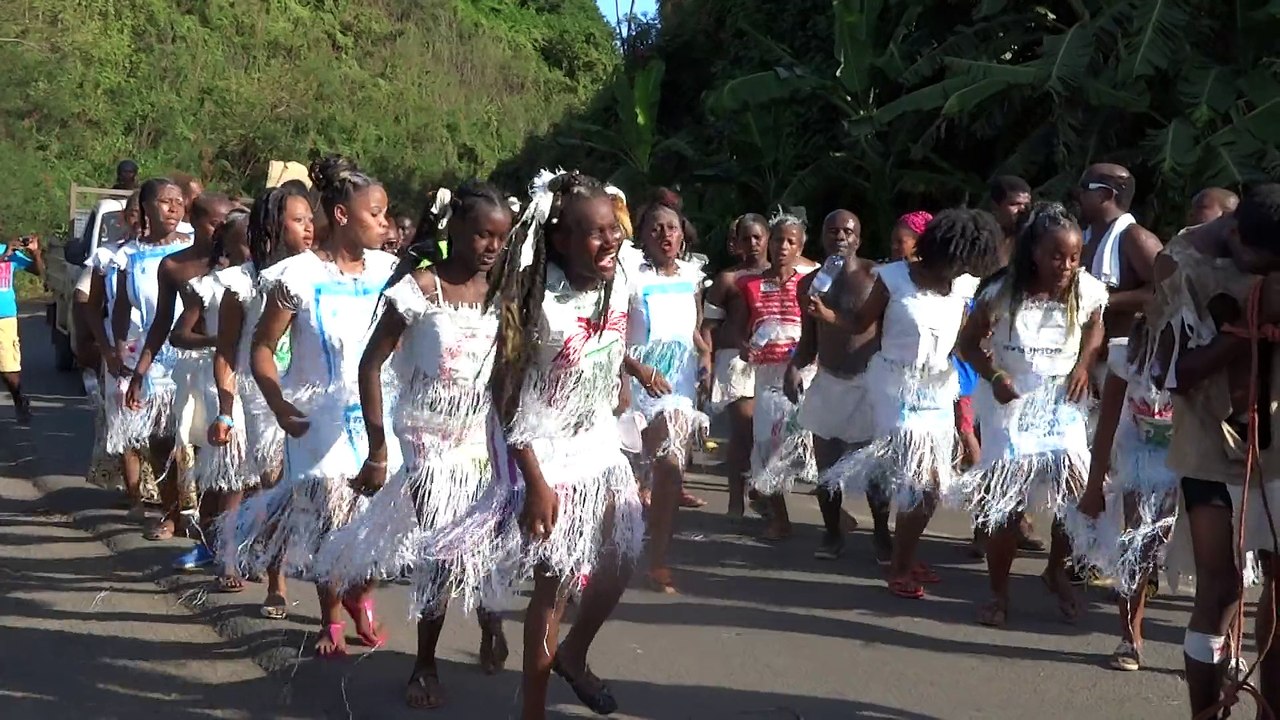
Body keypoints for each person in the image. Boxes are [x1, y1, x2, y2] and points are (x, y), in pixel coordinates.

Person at [420, 170, 642, 719]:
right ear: (560, 239)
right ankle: (534, 712)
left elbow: (614, 345)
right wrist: (535, 481)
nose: (610, 240)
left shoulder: (624, 274)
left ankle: (574, 652)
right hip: (546, 451)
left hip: (599, 443)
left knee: (623, 556)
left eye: (613, 228)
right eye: (594, 233)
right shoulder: (533, 300)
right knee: (556, 586)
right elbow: (504, 395)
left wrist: (621, 379)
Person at [315, 183, 513, 708]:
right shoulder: (421, 289)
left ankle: (490, 617)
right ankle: (424, 665)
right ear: (454, 231)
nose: (490, 247)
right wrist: (379, 447)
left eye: (500, 238)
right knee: (441, 550)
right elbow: (370, 364)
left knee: (483, 542)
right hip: (426, 440)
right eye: (480, 235)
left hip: (481, 437)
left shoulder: (504, 294)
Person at [220, 154, 402, 657]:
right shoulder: (295, 275)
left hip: (377, 415)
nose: (385, 224)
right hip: (316, 422)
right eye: (376, 214)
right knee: (332, 519)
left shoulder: (391, 272)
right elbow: (261, 348)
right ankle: (329, 619)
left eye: (386, 214)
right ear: (342, 216)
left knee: (375, 522)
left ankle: (360, 596)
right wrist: (278, 405)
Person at [818, 209, 1000, 599]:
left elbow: (965, 341)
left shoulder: (965, 286)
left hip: (937, 390)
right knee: (922, 478)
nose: (964, 268)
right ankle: (898, 566)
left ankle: (905, 554)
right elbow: (861, 323)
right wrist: (827, 315)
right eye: (960, 260)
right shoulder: (893, 278)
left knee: (930, 487)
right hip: (894, 389)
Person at [1147, 184, 1280, 717]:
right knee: (1220, 591)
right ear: (1235, 236)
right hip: (1210, 446)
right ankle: (1206, 713)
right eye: (1260, 262)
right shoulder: (1181, 265)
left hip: (1277, 451)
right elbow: (1168, 372)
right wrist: (1248, 333)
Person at [956, 202, 1107, 626]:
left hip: (1062, 406)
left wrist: (1083, 364)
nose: (1066, 265)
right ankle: (999, 593)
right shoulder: (1001, 292)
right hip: (1012, 404)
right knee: (1006, 504)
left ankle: (1055, 570)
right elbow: (967, 345)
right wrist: (994, 374)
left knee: (1075, 497)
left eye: (1075, 257)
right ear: (1035, 252)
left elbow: (1097, 324)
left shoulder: (1086, 288)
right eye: (1057, 256)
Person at [205, 183, 314, 615]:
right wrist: (225, 410)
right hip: (258, 400)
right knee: (271, 487)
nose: (308, 229)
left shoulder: (317, 276)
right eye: (298, 220)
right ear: (272, 226)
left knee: (298, 491)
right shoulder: (242, 284)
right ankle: (276, 580)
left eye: (310, 219)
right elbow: (227, 353)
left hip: (308, 394)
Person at [125, 191, 235, 548]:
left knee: (221, 453)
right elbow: (161, 325)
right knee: (165, 443)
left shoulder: (238, 264)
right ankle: (172, 513)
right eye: (214, 222)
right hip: (177, 365)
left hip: (225, 369)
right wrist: (139, 372)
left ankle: (221, 533)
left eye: (226, 223)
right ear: (196, 221)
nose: (221, 229)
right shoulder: (174, 266)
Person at [783, 210, 887, 561]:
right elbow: (809, 339)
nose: (840, 237)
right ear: (823, 238)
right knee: (826, 468)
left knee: (874, 471)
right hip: (828, 381)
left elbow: (878, 332)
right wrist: (795, 366)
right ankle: (831, 535)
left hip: (868, 384)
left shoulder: (878, 278)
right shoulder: (809, 284)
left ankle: (883, 536)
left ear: (858, 238)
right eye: (833, 231)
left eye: (848, 231)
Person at [620, 194, 710, 593]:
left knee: (671, 467)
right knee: (628, 475)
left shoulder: (692, 276)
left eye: (671, 227)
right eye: (655, 228)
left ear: (682, 233)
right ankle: (609, 553)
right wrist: (634, 372)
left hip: (678, 386)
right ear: (642, 236)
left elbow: (694, 325)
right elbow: (608, 333)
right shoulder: (629, 278)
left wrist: (706, 358)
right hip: (634, 382)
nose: (664, 234)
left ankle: (658, 560)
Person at [1074, 322, 1176, 671]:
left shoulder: (1204, 346)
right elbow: (1107, 423)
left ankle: (1226, 646)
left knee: (1221, 557)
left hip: (1195, 454)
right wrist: (1093, 487)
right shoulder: (1125, 354)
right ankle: (1130, 636)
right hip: (1139, 456)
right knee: (1139, 542)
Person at [107, 179, 197, 541]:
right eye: (164, 201)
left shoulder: (195, 249)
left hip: (194, 355)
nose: (174, 209)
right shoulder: (128, 256)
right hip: (153, 360)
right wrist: (118, 349)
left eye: (179, 202)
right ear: (146, 207)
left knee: (199, 439)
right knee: (161, 442)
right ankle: (172, 512)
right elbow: (120, 308)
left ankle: (204, 515)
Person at [171, 209, 250, 580]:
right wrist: (218, 340)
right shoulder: (208, 285)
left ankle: (243, 547)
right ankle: (219, 549)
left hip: (263, 382)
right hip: (220, 379)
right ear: (228, 243)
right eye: (245, 238)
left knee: (254, 477)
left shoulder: (270, 280)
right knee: (226, 471)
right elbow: (179, 334)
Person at [740, 212, 819, 540]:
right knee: (766, 444)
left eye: (791, 241)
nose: (783, 247)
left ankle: (834, 514)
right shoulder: (751, 284)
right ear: (769, 243)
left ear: (801, 246)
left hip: (807, 373)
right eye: (778, 240)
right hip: (768, 376)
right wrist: (743, 346)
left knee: (809, 447)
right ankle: (780, 518)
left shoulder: (813, 280)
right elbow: (739, 326)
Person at [702, 214, 769, 518]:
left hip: (771, 363)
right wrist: (707, 363)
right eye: (746, 238)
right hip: (735, 362)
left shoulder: (783, 275)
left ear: (768, 238)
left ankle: (759, 491)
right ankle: (735, 500)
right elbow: (708, 327)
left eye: (758, 237)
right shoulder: (727, 279)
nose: (753, 244)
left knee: (769, 433)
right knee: (744, 430)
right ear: (737, 243)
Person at [1077, 163, 1163, 340]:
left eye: (1084, 189)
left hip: (1120, 356)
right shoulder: (1083, 235)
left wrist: (1101, 300)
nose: (1079, 196)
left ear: (1104, 195)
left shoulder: (1136, 238)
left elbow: (1165, 293)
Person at [0, 232, 45, 423]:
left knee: (9, 369)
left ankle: (19, 400)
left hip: (5, 317)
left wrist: (35, 254)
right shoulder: (5, 253)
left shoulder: (7, 251)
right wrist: (4, 256)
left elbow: (37, 271)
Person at [987, 176, 1032, 264]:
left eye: (1026, 205)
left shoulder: (1031, 243)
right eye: (1015, 204)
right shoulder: (979, 242)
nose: (1023, 210)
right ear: (995, 206)